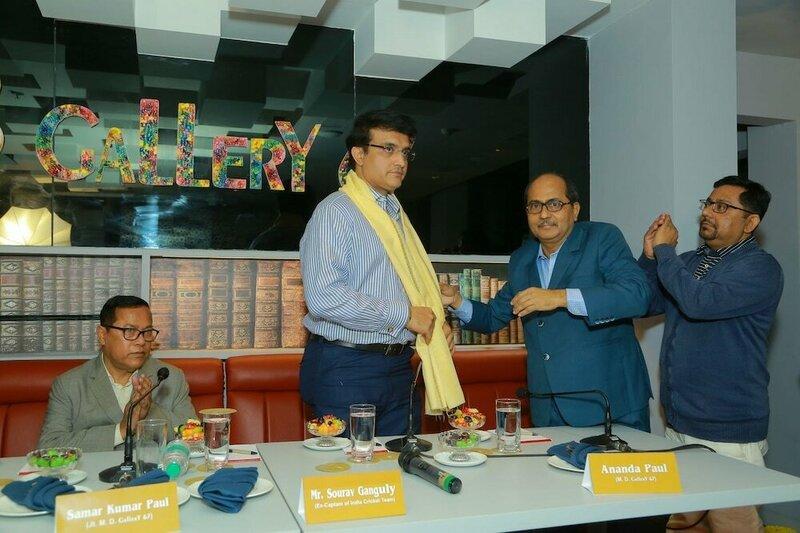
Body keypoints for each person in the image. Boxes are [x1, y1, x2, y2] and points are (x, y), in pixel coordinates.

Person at [442, 172, 652, 431]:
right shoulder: (522, 259)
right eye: (534, 206)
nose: (543, 214)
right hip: (547, 407)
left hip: (608, 403)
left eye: (554, 204)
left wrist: (560, 297)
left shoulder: (601, 238)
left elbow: (637, 295)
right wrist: (457, 301)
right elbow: (493, 316)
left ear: (575, 210)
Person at [299, 109, 460, 437]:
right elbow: (324, 297)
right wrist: (406, 315)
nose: (400, 161)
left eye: (405, 152)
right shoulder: (336, 212)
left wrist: (433, 318)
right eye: (388, 149)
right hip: (347, 365)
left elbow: (401, 283)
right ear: (358, 154)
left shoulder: (394, 214)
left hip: (398, 365)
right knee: (350, 468)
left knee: (401, 464)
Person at [639, 176, 783, 532]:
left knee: (734, 526)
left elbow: (699, 302)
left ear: (750, 222)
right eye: (707, 203)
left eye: (722, 207)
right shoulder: (690, 262)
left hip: (727, 431)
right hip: (679, 425)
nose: (708, 212)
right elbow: (645, 303)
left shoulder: (760, 268)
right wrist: (650, 257)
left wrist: (666, 253)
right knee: (683, 527)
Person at [38, 295, 196, 452]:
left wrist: (149, 411)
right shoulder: (70, 385)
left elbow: (193, 437)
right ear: (102, 335)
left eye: (147, 332)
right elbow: (49, 446)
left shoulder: (169, 378)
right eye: (130, 331)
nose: (141, 341)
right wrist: (120, 430)